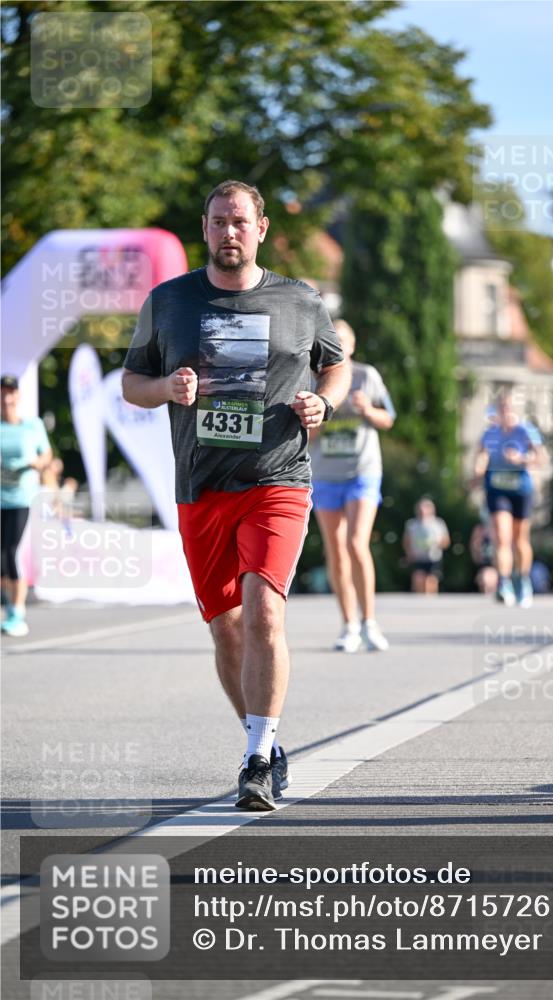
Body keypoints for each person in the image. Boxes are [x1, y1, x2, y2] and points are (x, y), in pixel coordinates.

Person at [122, 180, 349, 811]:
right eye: (219, 221)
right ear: (205, 228)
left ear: (262, 229)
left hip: (277, 478)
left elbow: (337, 363)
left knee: (263, 611)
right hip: (201, 485)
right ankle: (265, 740)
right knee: (226, 631)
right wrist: (166, 386)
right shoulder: (169, 302)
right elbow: (130, 383)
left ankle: (255, 758)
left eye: (240, 221)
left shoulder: (300, 301)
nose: (230, 232)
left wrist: (323, 401)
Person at [309, 319, 395, 652]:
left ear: (353, 345)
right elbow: (307, 434)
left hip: (363, 470)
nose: (338, 346)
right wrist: (318, 416)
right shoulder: (314, 378)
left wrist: (368, 411)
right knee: (336, 549)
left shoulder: (366, 376)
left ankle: (370, 621)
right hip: (327, 474)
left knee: (357, 543)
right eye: (332, 341)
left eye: (343, 341)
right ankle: (348, 625)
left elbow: (389, 418)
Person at [473, 389, 545, 608]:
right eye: (501, 408)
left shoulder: (526, 431)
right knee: (502, 537)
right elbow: (481, 455)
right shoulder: (490, 434)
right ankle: (504, 584)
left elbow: (541, 457)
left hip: (521, 489)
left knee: (520, 539)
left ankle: (523, 581)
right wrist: (477, 470)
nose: (505, 412)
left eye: (508, 408)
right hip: (497, 489)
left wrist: (521, 458)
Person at [1, 375, 53, 636]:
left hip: (20, 498)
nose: (6, 398)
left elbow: (46, 454)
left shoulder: (32, 425)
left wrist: (38, 463)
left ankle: (17, 611)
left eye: (10, 392)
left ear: (17, 396)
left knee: (10, 552)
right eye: (2, 393)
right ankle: (8, 606)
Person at [403, 497, 450, 594]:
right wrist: (409, 554)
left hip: (433, 558)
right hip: (418, 558)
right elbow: (406, 541)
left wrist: (436, 544)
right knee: (418, 580)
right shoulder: (412, 524)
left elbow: (446, 541)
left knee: (431, 582)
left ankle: (431, 605)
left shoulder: (438, 523)